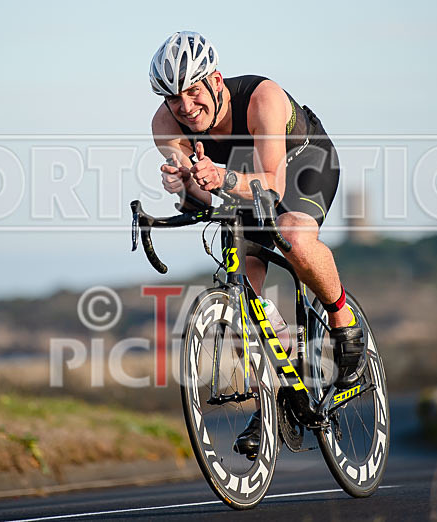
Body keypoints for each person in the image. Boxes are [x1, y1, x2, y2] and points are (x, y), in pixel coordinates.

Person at [149, 31, 364, 459]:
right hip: (241, 184)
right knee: (243, 292)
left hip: (302, 164)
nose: (186, 108)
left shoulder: (262, 97)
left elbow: (272, 185)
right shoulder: (165, 125)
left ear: (215, 80)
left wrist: (221, 178)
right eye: (175, 99)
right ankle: (276, 396)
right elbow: (199, 201)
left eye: (193, 92)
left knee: (294, 235)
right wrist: (183, 186)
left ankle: (343, 319)